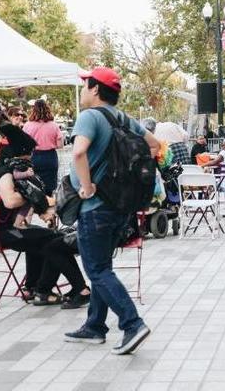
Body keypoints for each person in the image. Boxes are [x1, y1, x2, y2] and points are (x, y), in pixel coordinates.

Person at [64, 67, 159, 355]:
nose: (83, 90)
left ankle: (132, 324)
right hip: (118, 207)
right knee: (102, 267)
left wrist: (87, 186)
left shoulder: (90, 117)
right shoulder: (123, 118)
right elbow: (154, 145)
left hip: (95, 207)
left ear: (95, 89)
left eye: (85, 85)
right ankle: (94, 326)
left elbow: (79, 152)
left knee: (96, 269)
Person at [0, 124, 89, 308]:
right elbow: (10, 201)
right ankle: (62, 290)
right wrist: (31, 195)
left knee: (41, 238)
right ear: (20, 154)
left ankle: (34, 288)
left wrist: (37, 204)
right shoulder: (4, 173)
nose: (31, 157)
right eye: (29, 154)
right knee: (55, 240)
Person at [23, 99, 63, 196]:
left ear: (33, 110)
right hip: (50, 157)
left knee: (33, 186)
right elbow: (60, 145)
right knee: (49, 188)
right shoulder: (54, 125)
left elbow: (23, 144)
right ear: (47, 109)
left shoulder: (27, 125)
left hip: (32, 157)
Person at [200, 138, 225, 219]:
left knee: (212, 186)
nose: (222, 146)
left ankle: (209, 204)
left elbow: (214, 162)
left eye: (223, 144)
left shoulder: (223, 152)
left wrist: (202, 165)